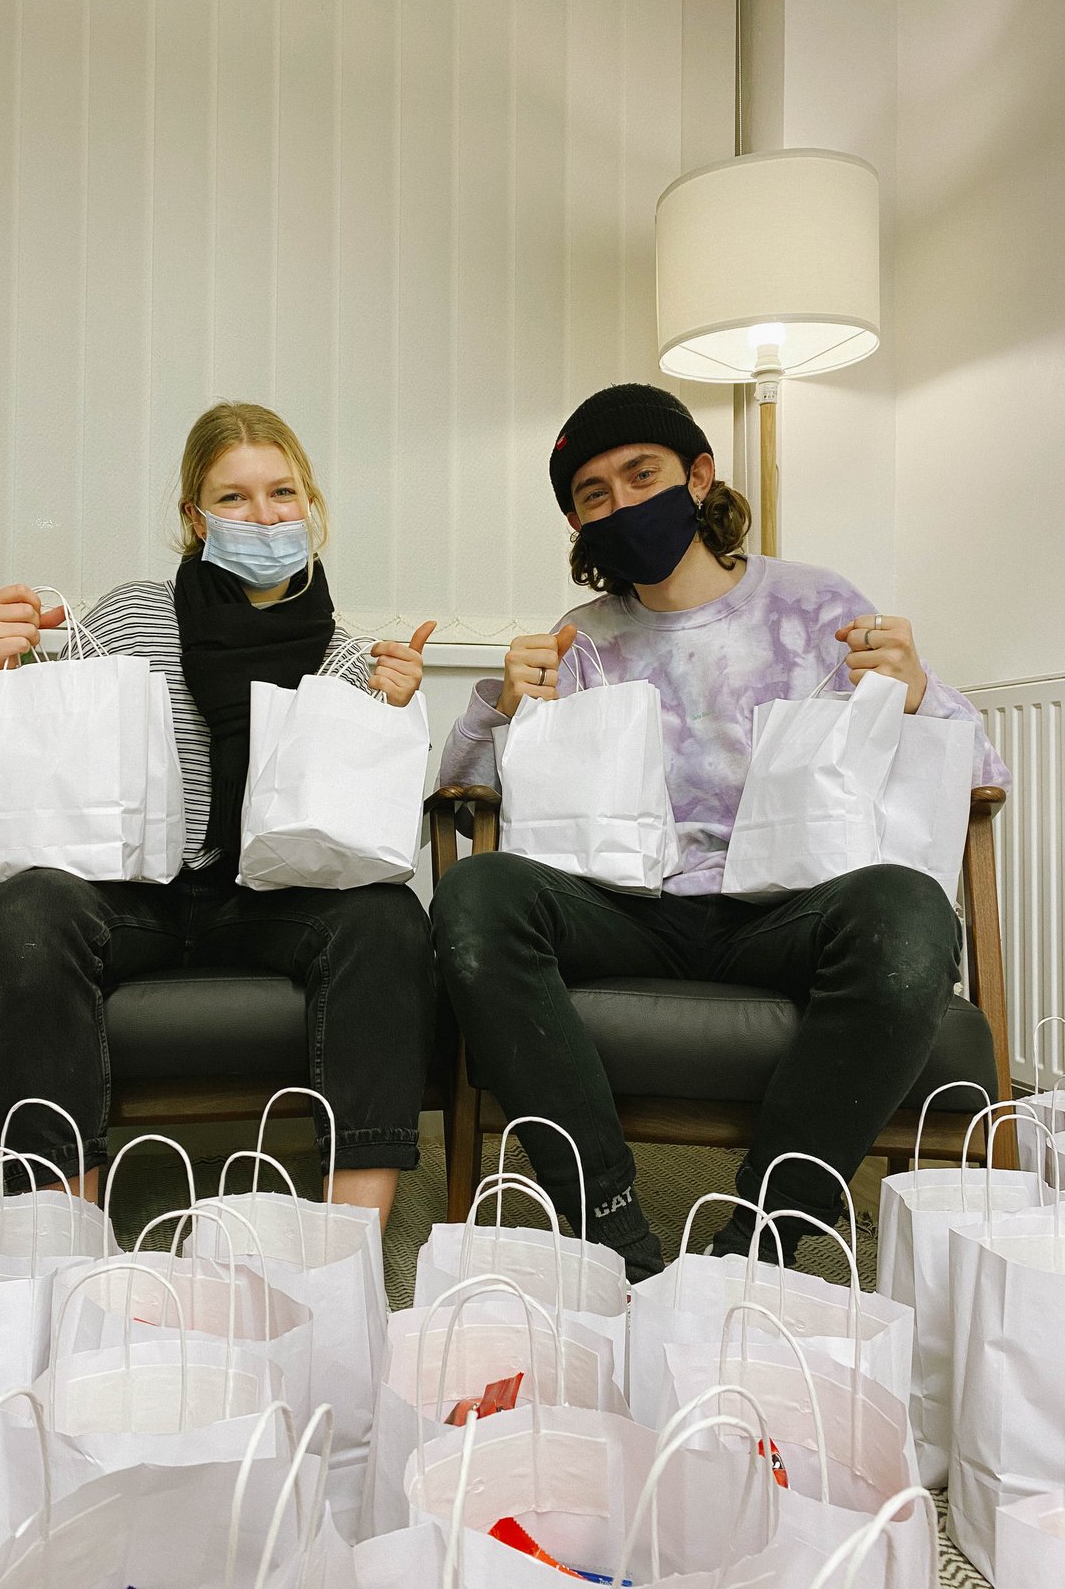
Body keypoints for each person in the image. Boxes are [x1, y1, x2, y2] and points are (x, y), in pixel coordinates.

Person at [432, 381, 1010, 1279]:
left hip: (784, 910)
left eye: (642, 474)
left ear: (698, 476)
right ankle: (610, 1228)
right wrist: (496, 710)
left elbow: (979, 776)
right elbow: (464, 795)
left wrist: (923, 689)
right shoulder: (583, 637)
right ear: (580, 526)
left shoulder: (819, 608)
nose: (622, 503)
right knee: (475, 892)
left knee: (910, 912)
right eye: (595, 495)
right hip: (628, 910)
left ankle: (759, 1241)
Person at [0, 400, 437, 1224]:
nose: (264, 515)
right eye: (234, 497)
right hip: (139, 895)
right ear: (194, 515)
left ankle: (350, 1239)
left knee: (388, 918)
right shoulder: (130, 615)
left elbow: (361, 826)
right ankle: (59, 1236)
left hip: (266, 906)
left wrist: (387, 709)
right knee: (27, 910)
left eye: (283, 493)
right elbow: (44, 759)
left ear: (311, 506)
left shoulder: (349, 656)